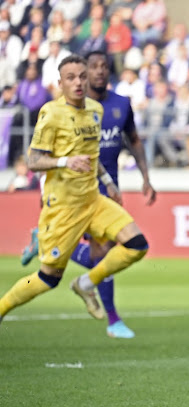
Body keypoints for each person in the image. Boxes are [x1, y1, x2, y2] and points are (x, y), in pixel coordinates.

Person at [0, 55, 149, 332]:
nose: (78, 82)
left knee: (137, 245)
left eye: (82, 76)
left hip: (93, 199)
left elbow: (92, 155)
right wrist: (63, 161)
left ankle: (85, 283)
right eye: (71, 78)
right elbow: (33, 161)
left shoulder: (95, 110)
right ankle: (2, 308)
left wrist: (108, 181)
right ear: (60, 83)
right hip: (63, 208)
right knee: (48, 278)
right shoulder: (51, 114)